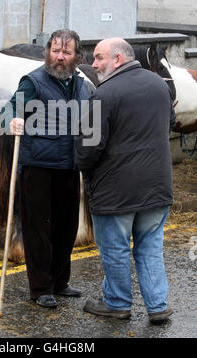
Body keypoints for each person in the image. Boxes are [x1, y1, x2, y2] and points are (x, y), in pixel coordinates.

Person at [75, 37, 175, 324]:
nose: (93, 64)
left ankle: (117, 303)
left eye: (98, 58)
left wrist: (83, 170)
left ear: (118, 58)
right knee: (150, 247)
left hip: (116, 190)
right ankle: (157, 306)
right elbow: (168, 124)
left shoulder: (103, 94)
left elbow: (88, 146)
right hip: (157, 186)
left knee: (116, 248)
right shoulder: (159, 85)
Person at [8, 29, 91, 308]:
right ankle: (40, 288)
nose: (59, 57)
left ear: (76, 56)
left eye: (66, 52)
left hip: (69, 166)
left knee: (66, 228)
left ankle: (60, 281)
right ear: (48, 52)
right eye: (55, 50)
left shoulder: (81, 85)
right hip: (38, 167)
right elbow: (9, 109)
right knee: (39, 230)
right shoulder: (33, 82)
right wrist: (12, 120)